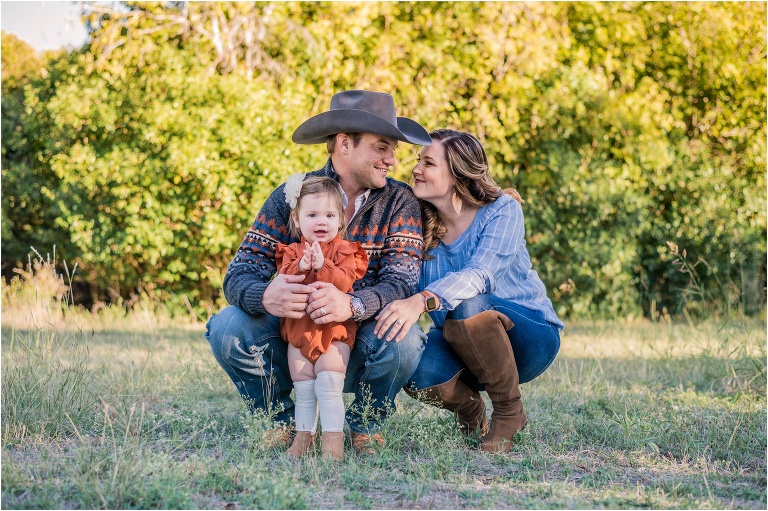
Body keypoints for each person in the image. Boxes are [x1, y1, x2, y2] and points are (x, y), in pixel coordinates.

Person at [206, 90, 431, 456]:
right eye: (382, 148)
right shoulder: (293, 195)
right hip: (294, 332)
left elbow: (401, 280)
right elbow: (240, 272)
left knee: (404, 340)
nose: (392, 160)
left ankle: (363, 426)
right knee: (227, 328)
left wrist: (353, 304)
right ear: (345, 143)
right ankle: (283, 423)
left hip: (357, 334)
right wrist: (264, 295)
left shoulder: (399, 201)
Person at [374, 129, 563, 453]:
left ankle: (509, 413)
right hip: (459, 341)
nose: (416, 169)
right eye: (419, 161)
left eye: (428, 163)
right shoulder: (417, 225)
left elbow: (481, 275)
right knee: (415, 366)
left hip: (529, 338)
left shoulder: (502, 210)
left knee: (471, 307)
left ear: (458, 173)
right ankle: (471, 409)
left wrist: (420, 301)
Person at [277, 175, 368, 461]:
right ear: (297, 218)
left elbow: (344, 281)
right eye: (312, 214)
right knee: (303, 386)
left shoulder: (345, 251)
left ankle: (333, 442)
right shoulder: (291, 252)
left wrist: (323, 265)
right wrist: (301, 266)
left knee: (329, 383)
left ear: (340, 220)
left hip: (334, 331)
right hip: (299, 332)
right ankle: (304, 437)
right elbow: (283, 281)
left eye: (329, 215)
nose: (321, 221)